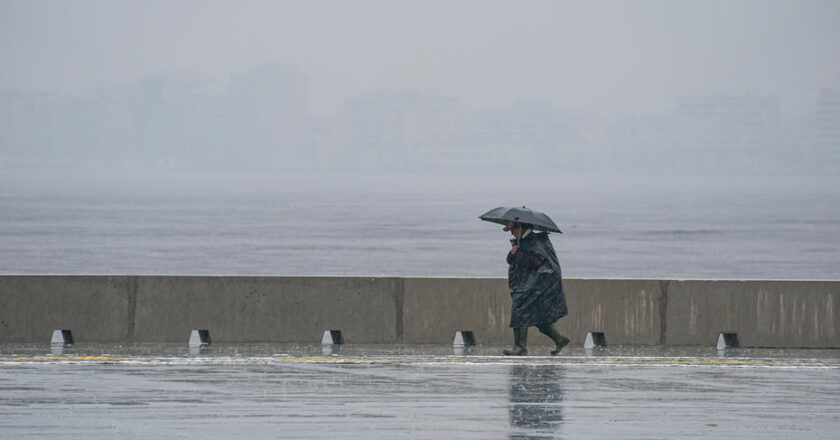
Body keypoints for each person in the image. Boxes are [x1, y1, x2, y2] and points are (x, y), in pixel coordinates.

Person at [502, 220, 569, 356]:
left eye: (512, 230)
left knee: (519, 311)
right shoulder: (522, 242)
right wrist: (513, 252)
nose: (511, 233)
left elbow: (535, 262)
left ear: (520, 228)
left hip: (534, 286)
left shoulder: (534, 242)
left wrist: (518, 253)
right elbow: (510, 260)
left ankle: (520, 347)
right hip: (524, 284)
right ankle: (560, 339)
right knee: (539, 316)